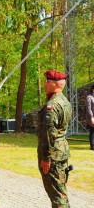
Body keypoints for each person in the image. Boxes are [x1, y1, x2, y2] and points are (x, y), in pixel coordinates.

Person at [37, 70, 72, 208]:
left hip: (53, 155)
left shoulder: (52, 106)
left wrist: (46, 157)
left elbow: (49, 134)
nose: (45, 84)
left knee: (57, 195)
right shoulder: (64, 101)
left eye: (48, 81)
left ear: (56, 84)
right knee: (60, 191)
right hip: (60, 151)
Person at [85, 84, 94, 150]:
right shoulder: (89, 97)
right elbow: (88, 108)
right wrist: (91, 117)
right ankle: (92, 146)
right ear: (93, 89)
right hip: (92, 116)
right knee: (92, 131)